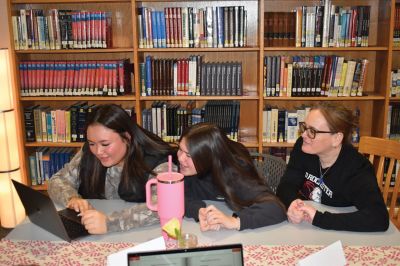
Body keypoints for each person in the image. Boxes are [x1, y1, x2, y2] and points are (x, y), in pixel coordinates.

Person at [48, 104, 177, 234]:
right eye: (92, 143)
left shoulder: (158, 160)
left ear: (127, 138)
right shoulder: (90, 151)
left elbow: (166, 204)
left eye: (105, 144)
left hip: (141, 235)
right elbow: (57, 180)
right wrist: (72, 199)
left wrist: (110, 223)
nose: (98, 151)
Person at [276, 102, 389, 232]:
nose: (303, 135)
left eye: (312, 131)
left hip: (340, 235)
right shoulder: (303, 148)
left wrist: (319, 218)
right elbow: (287, 184)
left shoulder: (357, 169)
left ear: (336, 138)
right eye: (304, 127)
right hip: (305, 228)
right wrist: (292, 204)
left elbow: (378, 218)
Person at [177, 122, 286, 231]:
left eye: (188, 155)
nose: (180, 158)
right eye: (180, 149)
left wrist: (234, 221)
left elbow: (276, 207)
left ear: (208, 158)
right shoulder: (188, 168)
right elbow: (175, 196)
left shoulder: (235, 174)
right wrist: (198, 210)